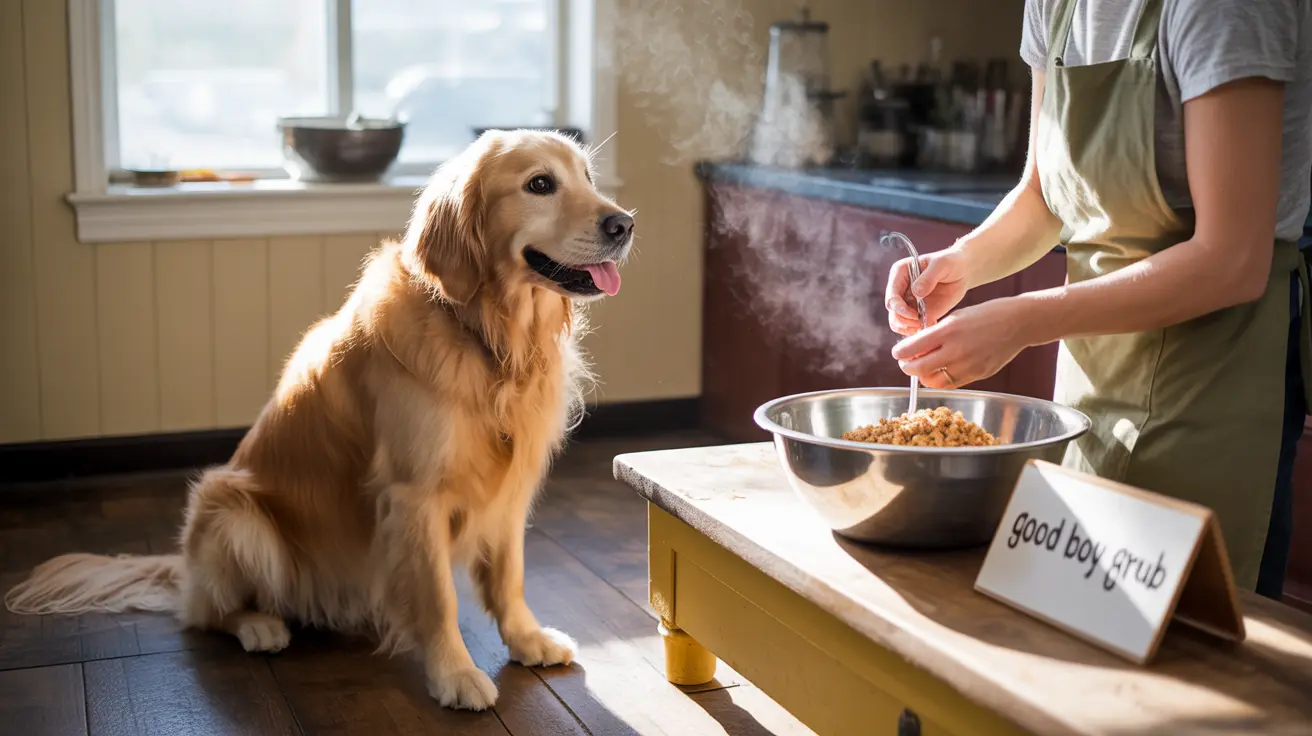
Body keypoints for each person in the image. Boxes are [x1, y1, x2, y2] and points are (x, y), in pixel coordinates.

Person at [885, 0, 1312, 598]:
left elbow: (1233, 259)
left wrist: (1024, 320)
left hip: (1216, 377)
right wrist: (962, 262)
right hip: (1092, 371)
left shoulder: (1225, 9)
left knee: (1191, 652)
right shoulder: (1056, 6)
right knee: (1085, 615)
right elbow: (1043, 196)